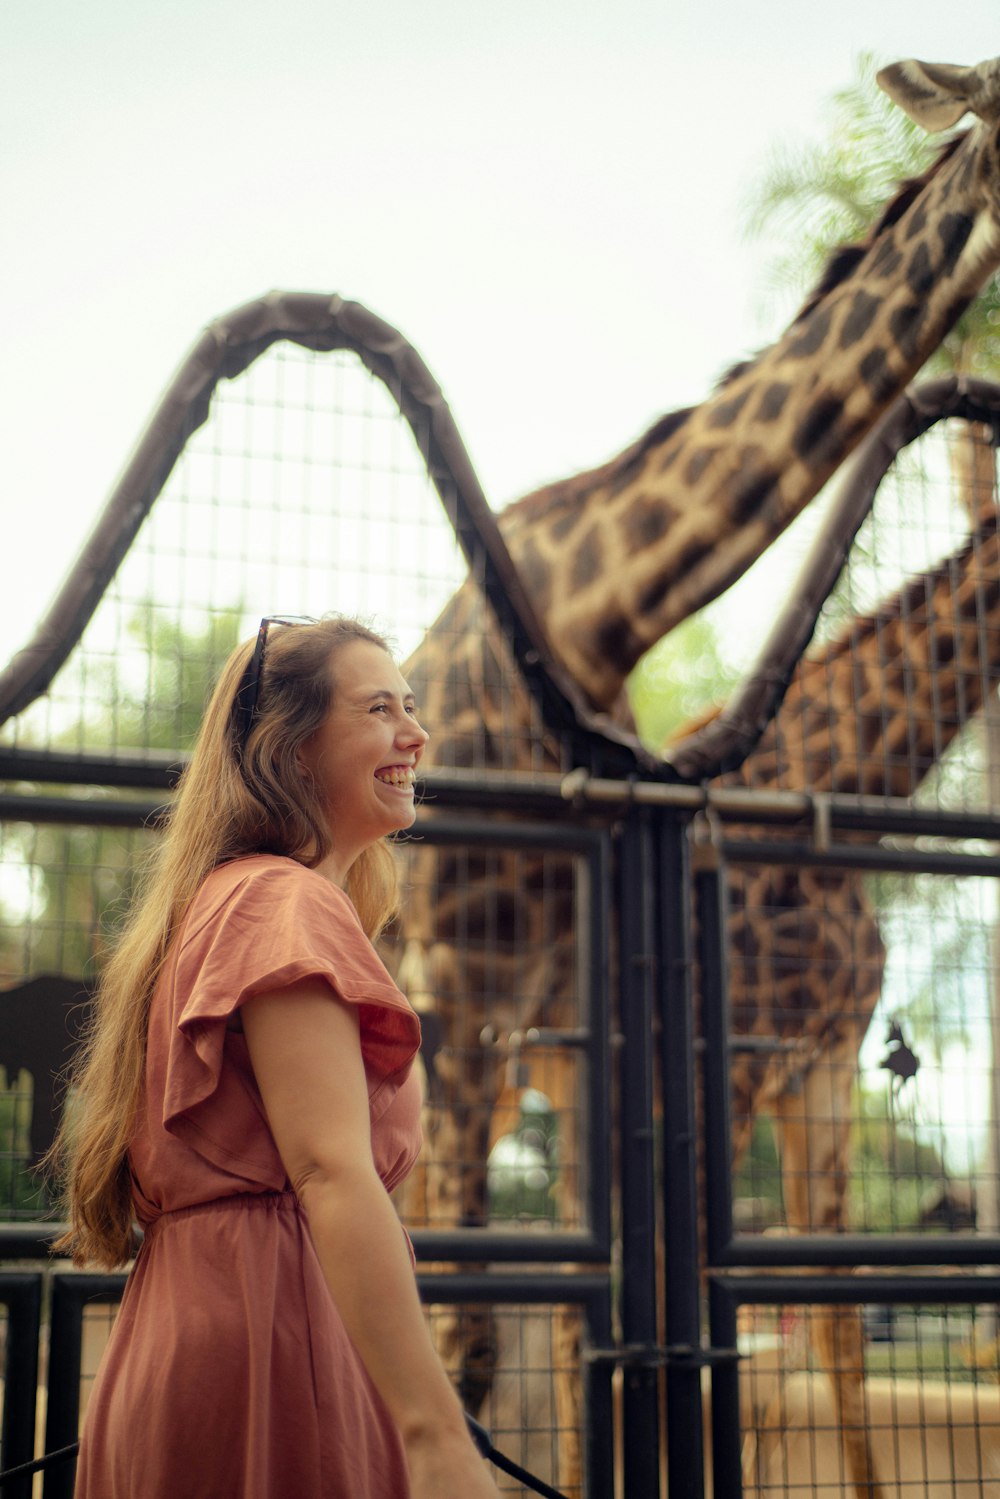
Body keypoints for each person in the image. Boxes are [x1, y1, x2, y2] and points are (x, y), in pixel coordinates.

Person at [49, 614, 502, 1499]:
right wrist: (437, 1435)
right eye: (379, 708)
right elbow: (331, 1170)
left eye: (411, 705)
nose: (415, 731)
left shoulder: (227, 897)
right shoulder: (281, 903)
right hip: (272, 1344)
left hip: (211, 1328)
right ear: (291, 749)